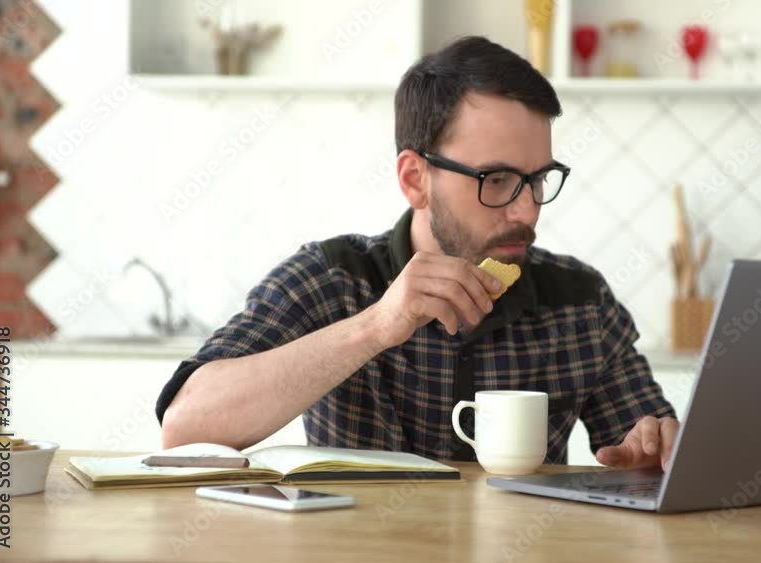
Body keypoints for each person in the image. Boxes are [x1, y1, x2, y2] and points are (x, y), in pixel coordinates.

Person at [156, 36, 679, 472]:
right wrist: (376, 326)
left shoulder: (580, 302)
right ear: (415, 179)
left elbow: (649, 450)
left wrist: (655, 447)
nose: (526, 212)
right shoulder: (332, 278)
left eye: (538, 180)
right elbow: (185, 426)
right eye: (496, 179)